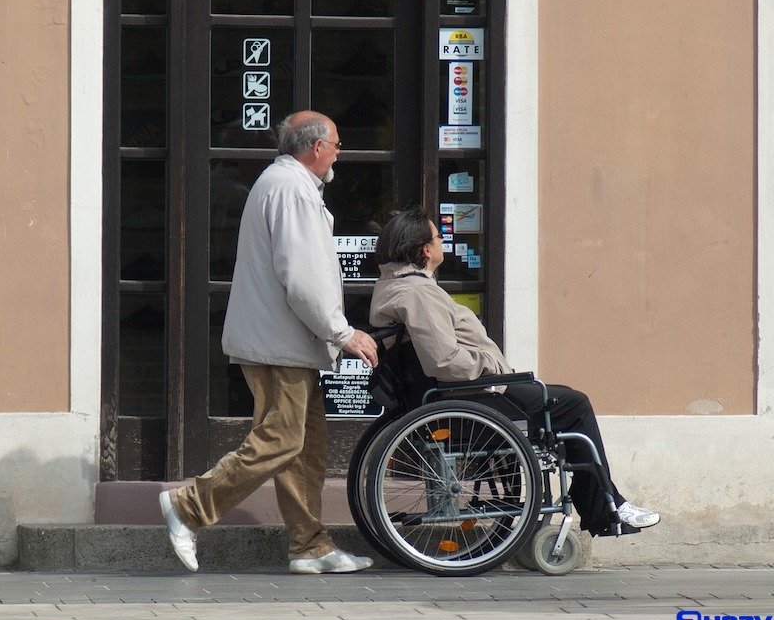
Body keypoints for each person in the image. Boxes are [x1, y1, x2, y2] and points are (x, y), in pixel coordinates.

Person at [159, 111, 380, 574]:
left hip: (285, 342)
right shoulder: (292, 189)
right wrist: (343, 332)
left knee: (305, 447)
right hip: (280, 344)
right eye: (337, 145)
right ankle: (188, 506)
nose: (340, 153)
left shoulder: (286, 185)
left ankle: (310, 546)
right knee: (281, 440)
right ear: (315, 147)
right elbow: (303, 278)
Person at [368, 207, 660, 536]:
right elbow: (444, 362)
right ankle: (605, 503)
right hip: (471, 396)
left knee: (561, 399)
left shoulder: (397, 287)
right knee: (574, 404)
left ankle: (602, 498)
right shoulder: (419, 293)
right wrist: (494, 367)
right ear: (425, 249)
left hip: (462, 395)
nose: (442, 243)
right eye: (439, 237)